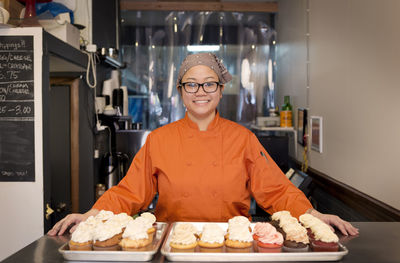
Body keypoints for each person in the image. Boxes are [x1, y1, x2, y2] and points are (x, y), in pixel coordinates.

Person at [48, 53, 358, 237]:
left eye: (209, 83)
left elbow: (277, 191)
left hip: (231, 245)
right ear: (181, 91)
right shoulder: (160, 139)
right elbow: (130, 193)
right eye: (191, 84)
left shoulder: (243, 139)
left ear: (220, 90)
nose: (201, 91)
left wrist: (312, 215)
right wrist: (91, 215)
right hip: (172, 243)